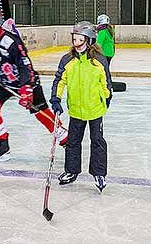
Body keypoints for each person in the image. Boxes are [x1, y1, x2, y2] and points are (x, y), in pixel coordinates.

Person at [0, 4, 68, 162]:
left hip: (25, 82)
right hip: (3, 82)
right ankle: (3, 146)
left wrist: (26, 88)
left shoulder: (10, 41)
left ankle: (65, 140)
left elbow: (25, 65)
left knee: (41, 114)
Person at [50, 21, 112, 192]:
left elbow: (106, 83)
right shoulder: (67, 60)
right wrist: (56, 98)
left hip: (95, 109)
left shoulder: (99, 60)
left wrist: (106, 100)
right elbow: (59, 80)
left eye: (80, 40)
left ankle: (99, 173)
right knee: (73, 141)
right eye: (74, 40)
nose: (76, 44)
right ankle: (71, 170)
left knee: (97, 141)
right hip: (76, 109)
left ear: (90, 40)